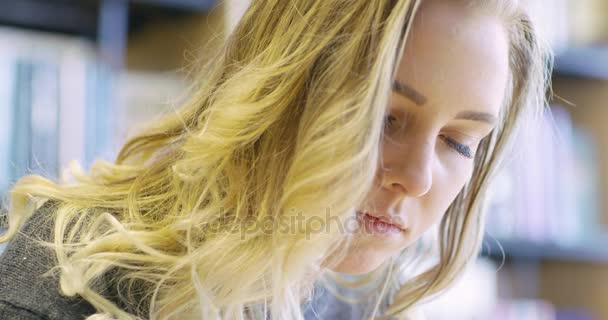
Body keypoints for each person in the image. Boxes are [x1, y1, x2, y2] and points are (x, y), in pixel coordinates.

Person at [0, 0, 552, 319]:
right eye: (384, 118)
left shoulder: (342, 296)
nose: (416, 178)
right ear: (279, 89)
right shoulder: (56, 283)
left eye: (458, 142)